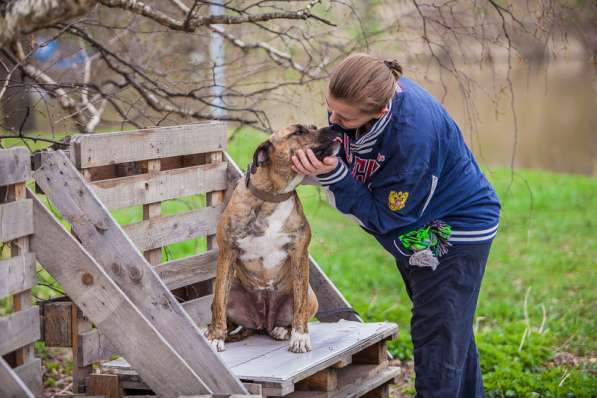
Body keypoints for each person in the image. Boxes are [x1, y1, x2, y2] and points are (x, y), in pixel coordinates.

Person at [291, 53, 500, 397]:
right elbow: (349, 148)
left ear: (380, 111)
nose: (332, 119)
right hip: (418, 223)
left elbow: (387, 218)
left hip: (453, 228)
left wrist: (335, 176)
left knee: (437, 336)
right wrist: (320, 161)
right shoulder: (368, 91)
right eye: (329, 108)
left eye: (343, 116)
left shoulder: (411, 137)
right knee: (450, 328)